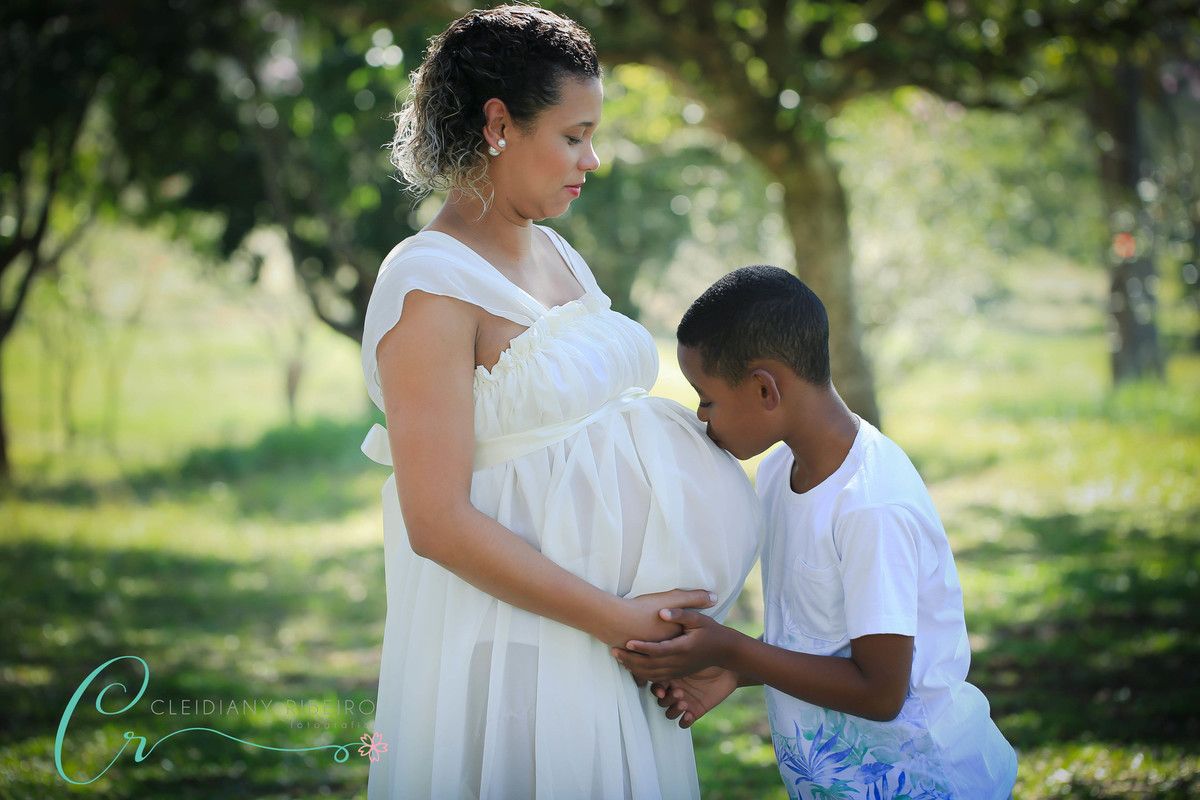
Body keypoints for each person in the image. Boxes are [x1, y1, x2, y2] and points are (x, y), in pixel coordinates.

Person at [357, 7, 762, 798]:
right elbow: (435, 521)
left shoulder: (554, 248)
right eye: (573, 136)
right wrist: (618, 620)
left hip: (613, 644)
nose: (593, 157)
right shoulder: (427, 286)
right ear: (499, 124)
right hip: (521, 645)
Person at [612, 266, 1018, 799]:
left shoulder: (870, 506)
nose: (701, 415)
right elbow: (822, 641)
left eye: (706, 397)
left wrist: (734, 651)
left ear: (764, 388)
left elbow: (880, 692)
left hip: (926, 781)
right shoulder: (782, 470)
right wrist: (737, 671)